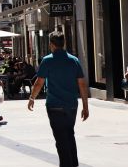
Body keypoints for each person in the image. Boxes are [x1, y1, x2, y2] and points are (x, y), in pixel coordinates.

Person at [28, 31, 89, 167]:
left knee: (61, 140)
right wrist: (85, 106)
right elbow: (82, 84)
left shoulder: (47, 60)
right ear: (64, 44)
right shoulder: (74, 60)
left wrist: (32, 97)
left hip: (55, 106)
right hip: (72, 106)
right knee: (69, 134)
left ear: (51, 45)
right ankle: (73, 163)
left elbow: (39, 82)